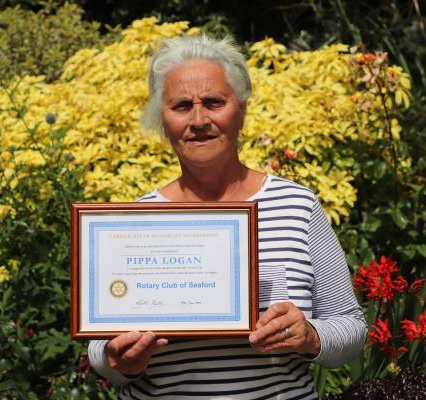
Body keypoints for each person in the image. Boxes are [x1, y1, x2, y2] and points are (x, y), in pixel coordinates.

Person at [88, 35, 366, 399]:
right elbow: (99, 348)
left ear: (241, 109)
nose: (199, 119)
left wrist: (311, 337)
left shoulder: (297, 205)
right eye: (181, 106)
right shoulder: (137, 222)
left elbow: (351, 328)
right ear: (162, 118)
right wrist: (117, 360)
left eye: (214, 102)